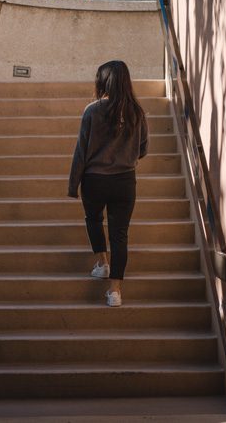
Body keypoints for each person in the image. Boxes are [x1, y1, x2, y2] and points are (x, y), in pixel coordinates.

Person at [68, 60, 148, 307]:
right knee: (120, 235)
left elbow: (81, 151)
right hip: (124, 181)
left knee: (93, 220)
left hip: (94, 180)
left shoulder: (92, 110)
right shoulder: (137, 112)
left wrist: (73, 185)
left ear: (102, 82)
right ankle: (115, 292)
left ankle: (102, 263)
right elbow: (143, 149)